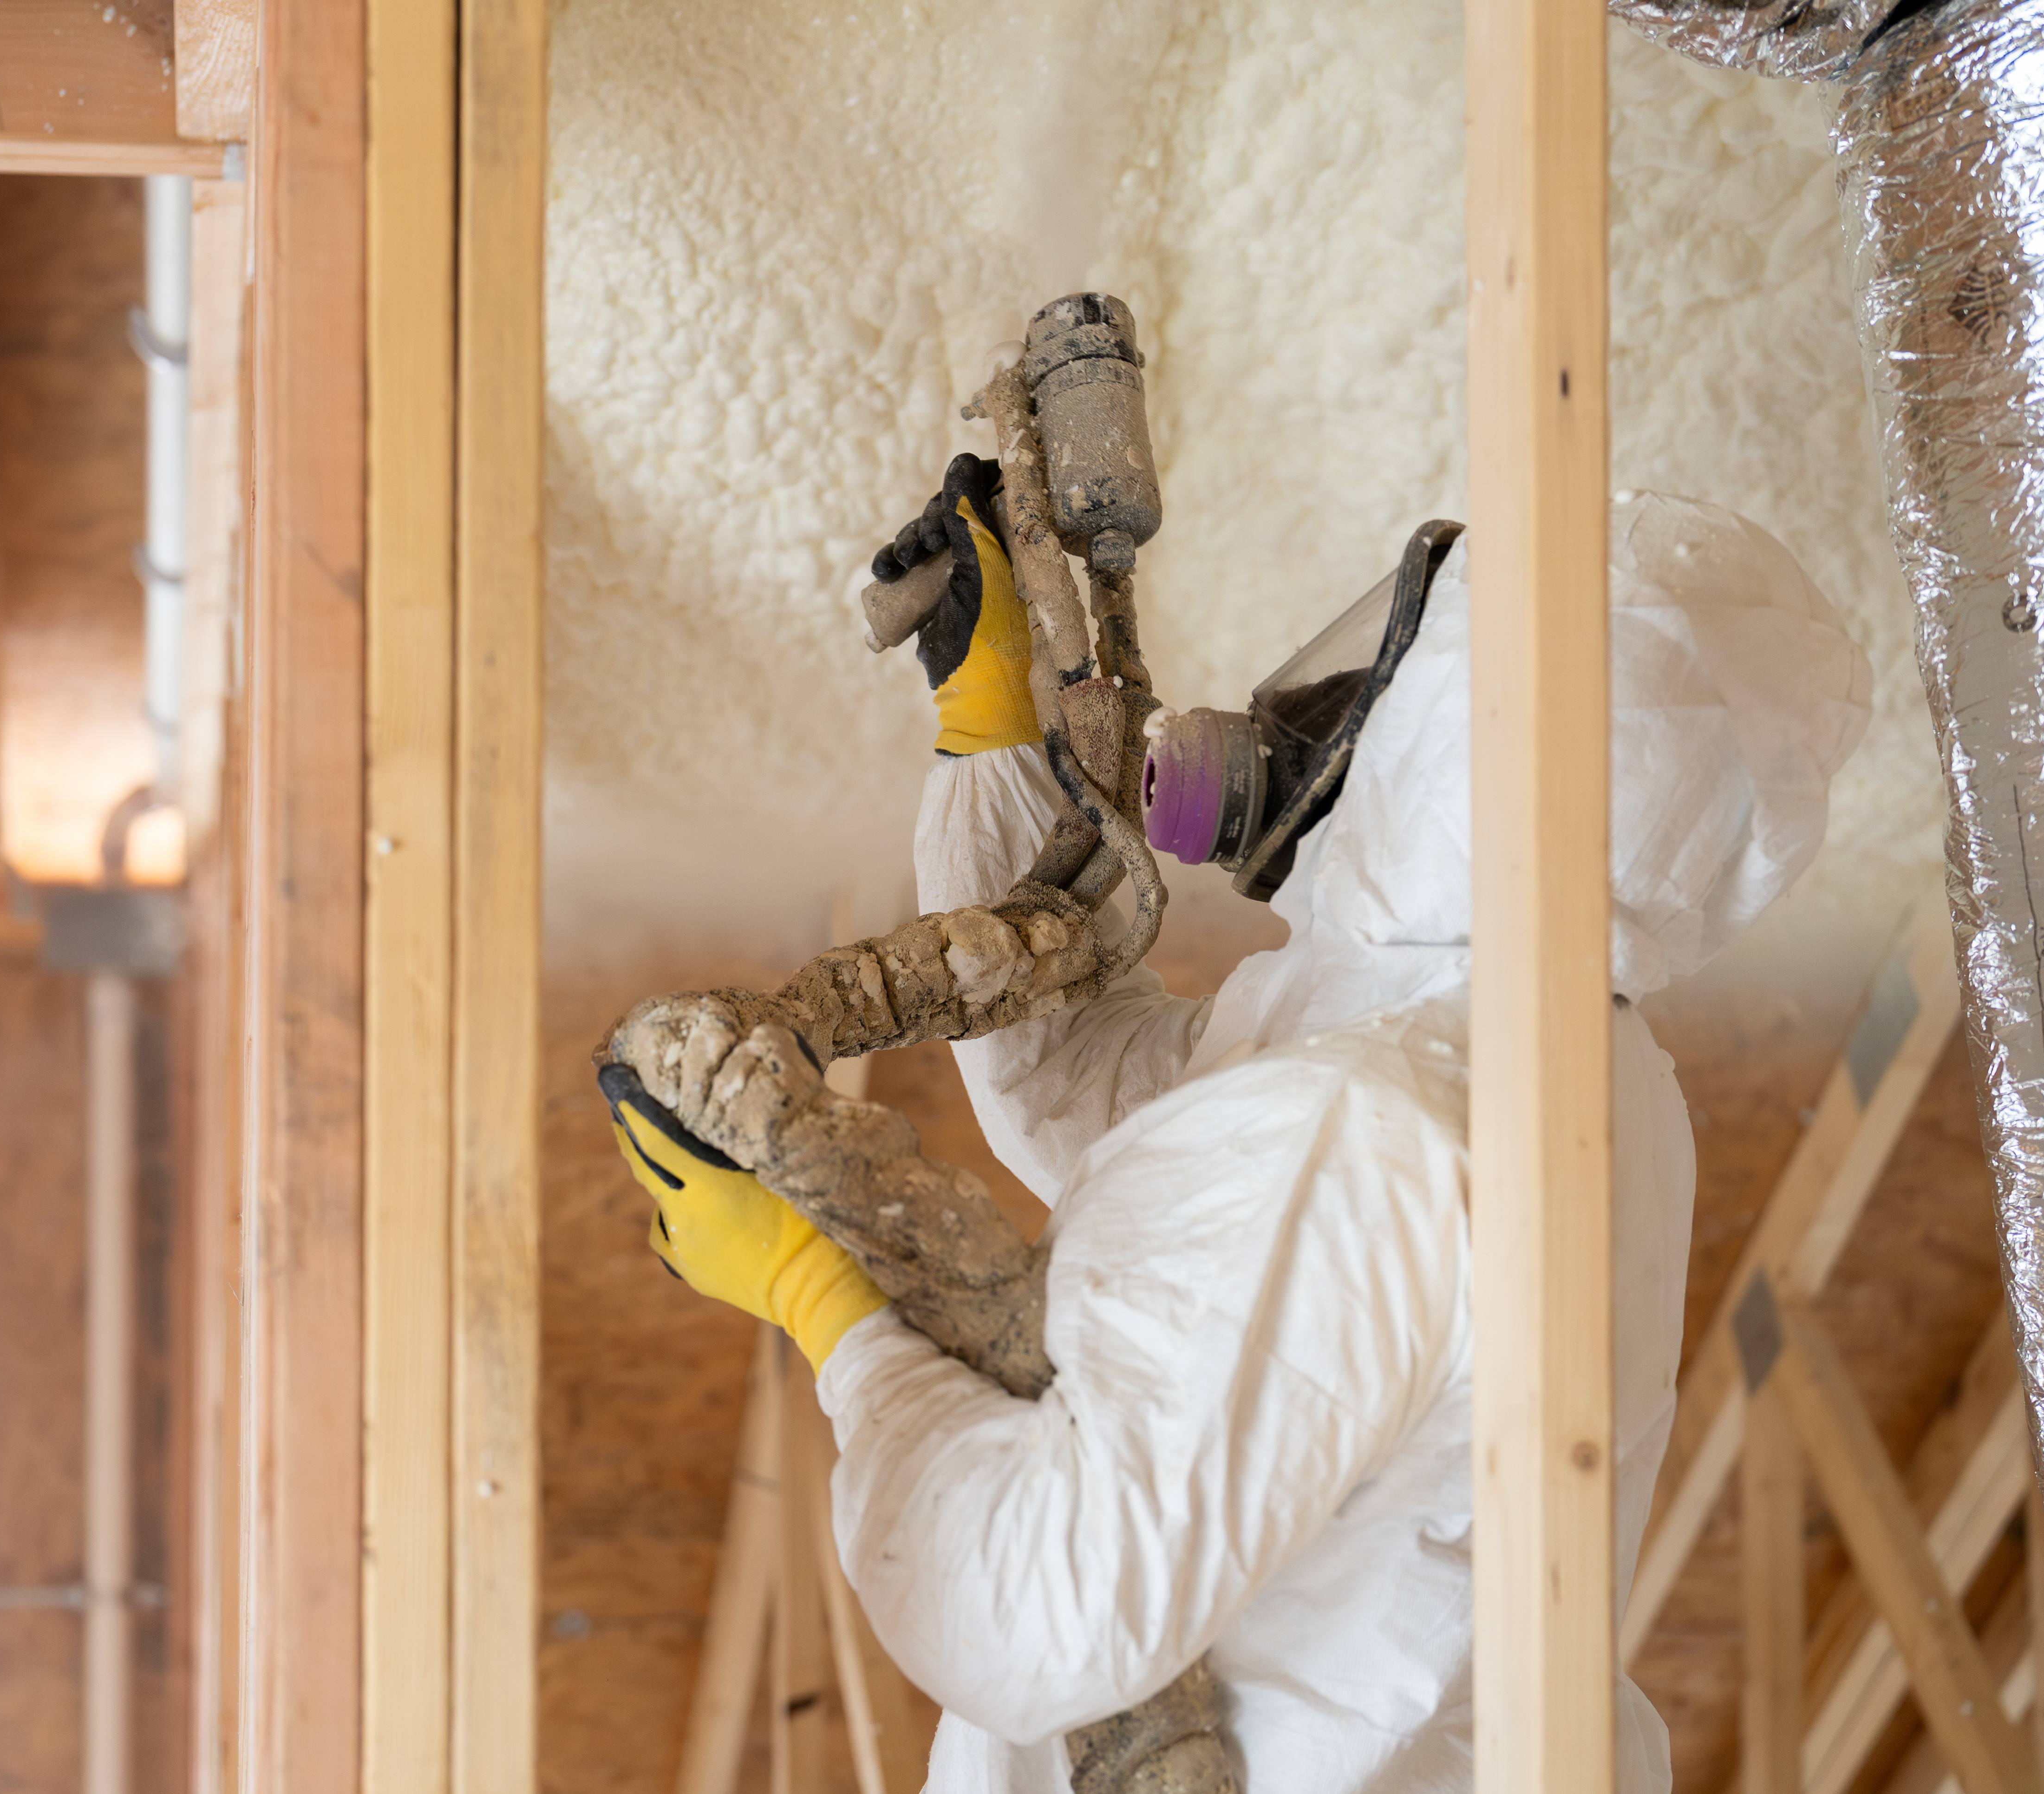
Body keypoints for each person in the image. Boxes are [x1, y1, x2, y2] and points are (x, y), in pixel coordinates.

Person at [607, 460, 1873, 1793]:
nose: (1328, 716)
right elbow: (1107, 1116)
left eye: (1386, 683)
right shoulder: (1560, 1072)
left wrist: (829, 1313)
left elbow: (1036, 1614)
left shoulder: (1376, 1127)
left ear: (1457, 746)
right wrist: (992, 743)